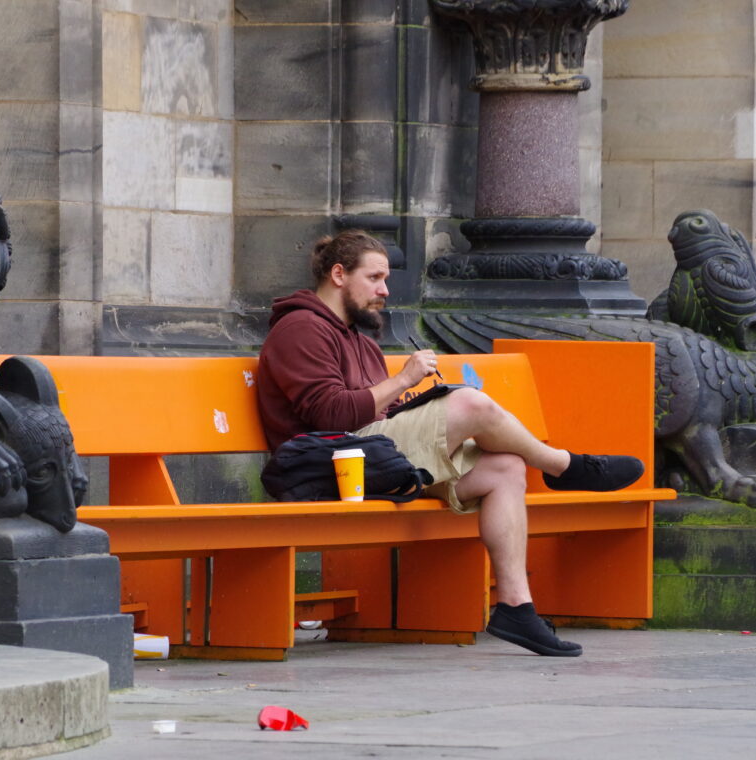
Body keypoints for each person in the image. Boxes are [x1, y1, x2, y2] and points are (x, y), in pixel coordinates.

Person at [256, 229, 644, 657]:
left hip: (373, 460)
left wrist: (408, 398)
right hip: (327, 463)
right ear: (338, 275)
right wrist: (403, 380)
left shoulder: (357, 339)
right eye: (375, 278)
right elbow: (327, 415)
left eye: (386, 279)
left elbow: (379, 413)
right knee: (470, 404)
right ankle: (563, 467)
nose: (385, 290)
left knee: (506, 469)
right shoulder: (300, 329)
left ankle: (516, 607)